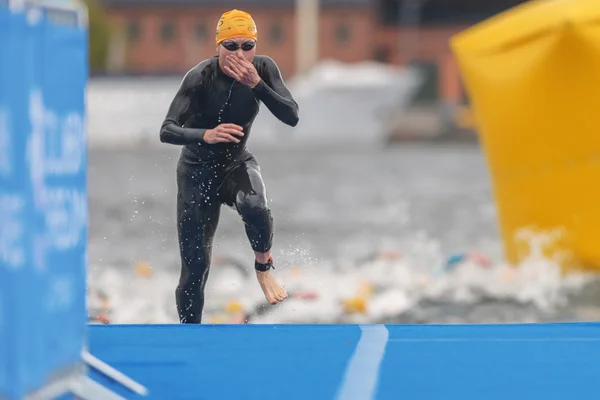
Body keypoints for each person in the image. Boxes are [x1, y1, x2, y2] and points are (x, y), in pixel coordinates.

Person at [159, 9, 299, 324]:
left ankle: (263, 267)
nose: (239, 54)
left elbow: (292, 116)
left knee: (254, 204)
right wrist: (205, 135)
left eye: (247, 46)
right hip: (196, 173)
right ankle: (189, 334)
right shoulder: (200, 77)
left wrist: (258, 84)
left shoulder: (262, 69)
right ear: (218, 46)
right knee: (195, 267)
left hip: (235, 164)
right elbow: (166, 130)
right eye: (231, 46)